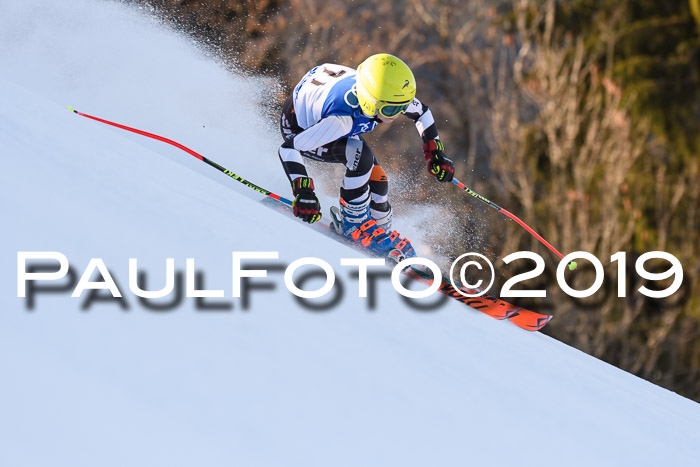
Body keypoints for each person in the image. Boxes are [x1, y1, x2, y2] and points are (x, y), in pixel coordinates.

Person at [278, 53, 455, 261]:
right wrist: (304, 192)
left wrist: (435, 153)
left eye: (401, 106)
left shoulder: (384, 94)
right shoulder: (340, 120)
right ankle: (353, 224)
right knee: (362, 160)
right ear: (372, 102)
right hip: (300, 128)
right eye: (391, 109)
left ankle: (379, 231)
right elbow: (288, 148)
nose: (397, 113)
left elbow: (422, 112)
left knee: (378, 180)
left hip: (324, 100)